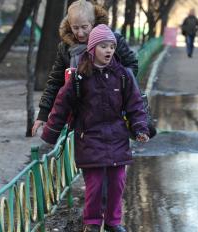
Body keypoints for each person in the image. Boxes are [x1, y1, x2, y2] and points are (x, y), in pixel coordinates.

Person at [40, 24, 150, 232]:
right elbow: (61, 105)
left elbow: (135, 105)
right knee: (95, 184)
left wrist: (140, 129)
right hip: (89, 137)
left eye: (111, 46)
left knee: (117, 182)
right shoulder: (79, 78)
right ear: (92, 50)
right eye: (103, 47)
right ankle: (91, 221)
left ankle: (112, 221)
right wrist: (50, 134)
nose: (108, 51)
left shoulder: (123, 76)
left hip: (117, 137)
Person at [32, 0, 138, 136]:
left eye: (84, 27)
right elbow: (55, 82)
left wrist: (116, 85)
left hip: (112, 110)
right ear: (69, 26)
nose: (80, 33)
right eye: (75, 28)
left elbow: (132, 65)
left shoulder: (111, 40)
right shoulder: (65, 48)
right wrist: (43, 114)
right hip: (80, 117)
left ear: (93, 23)